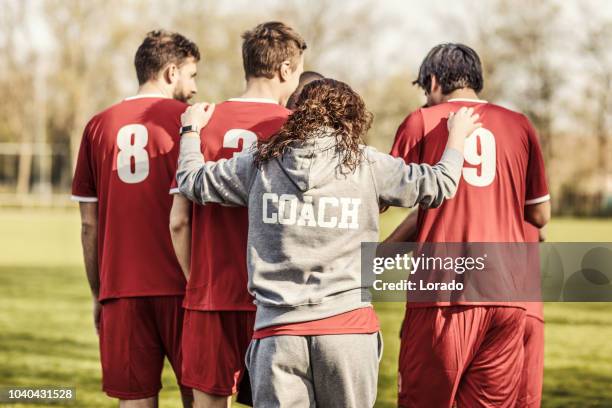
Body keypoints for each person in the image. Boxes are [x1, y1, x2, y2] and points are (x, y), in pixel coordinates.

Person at [175, 78, 481, 407]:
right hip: (347, 332)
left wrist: (190, 131)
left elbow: (191, 181)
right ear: (350, 118)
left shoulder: (260, 162)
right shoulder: (367, 164)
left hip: (278, 335)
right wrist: (457, 138)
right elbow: (438, 184)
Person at [386, 43, 550, 407]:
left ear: (431, 82)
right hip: (509, 295)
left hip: (444, 293)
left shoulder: (422, 121)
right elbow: (540, 215)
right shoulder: (519, 125)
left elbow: (381, 198)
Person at [168, 21, 306, 408]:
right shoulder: (295, 130)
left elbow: (178, 220)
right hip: (277, 299)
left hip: (212, 295)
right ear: (284, 70)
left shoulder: (201, 123)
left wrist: (198, 282)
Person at [71, 30, 199, 407]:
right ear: (172, 72)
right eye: (192, 76)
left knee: (135, 401)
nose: (193, 88)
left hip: (121, 289)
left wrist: (98, 292)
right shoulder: (192, 123)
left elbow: (88, 225)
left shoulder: (98, 125)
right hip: (186, 289)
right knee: (203, 398)